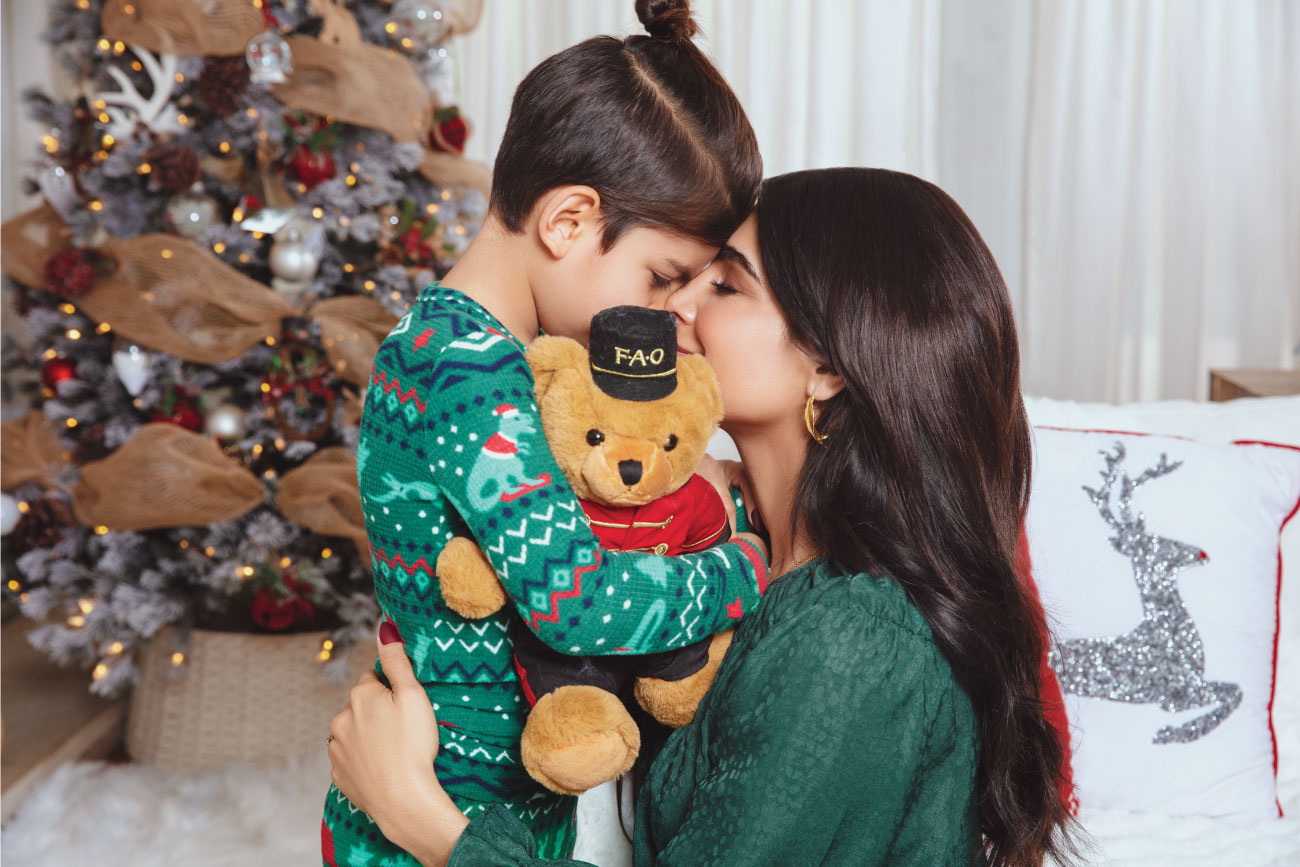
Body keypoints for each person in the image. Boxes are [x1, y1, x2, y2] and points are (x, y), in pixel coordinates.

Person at [328, 168, 1083, 867]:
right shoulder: (730, 547)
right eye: (680, 276)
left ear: (826, 368)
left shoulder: (853, 638)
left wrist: (425, 820)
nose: (675, 307)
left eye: (724, 284)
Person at [323, 1, 773, 864]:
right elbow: (578, 602)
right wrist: (747, 562)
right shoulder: (466, 374)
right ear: (568, 221)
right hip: (430, 819)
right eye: (663, 277)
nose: (675, 315)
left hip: (505, 809)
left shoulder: (473, 349)